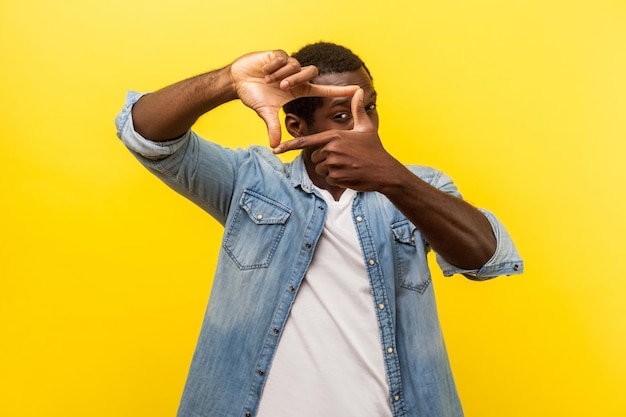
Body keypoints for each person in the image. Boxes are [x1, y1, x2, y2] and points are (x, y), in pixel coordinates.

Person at [115, 42, 523, 417]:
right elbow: (145, 135)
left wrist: (392, 178)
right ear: (297, 128)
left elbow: (487, 258)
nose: (364, 127)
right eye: (342, 115)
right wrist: (227, 81)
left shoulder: (417, 185)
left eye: (370, 108)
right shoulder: (251, 182)